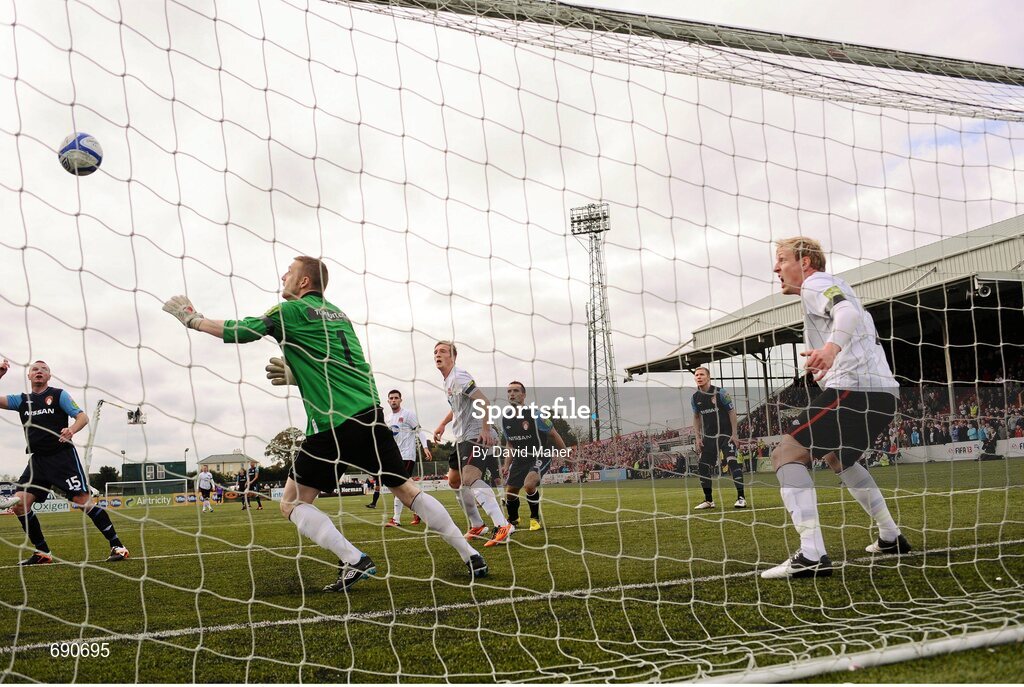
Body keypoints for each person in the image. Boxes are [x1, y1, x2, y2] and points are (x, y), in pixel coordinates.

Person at [162, 256, 488, 591]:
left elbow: (243, 331)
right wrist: (298, 375)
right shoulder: (339, 315)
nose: (284, 276)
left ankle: (354, 560)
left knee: (291, 502)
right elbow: (343, 367)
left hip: (331, 426)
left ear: (304, 282)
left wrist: (194, 320)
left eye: (289, 272)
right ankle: (470, 555)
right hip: (370, 415)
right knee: (406, 490)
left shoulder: (288, 311)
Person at [762, 237, 911, 580]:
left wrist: (830, 349)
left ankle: (811, 554)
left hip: (856, 391)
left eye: (781, 259)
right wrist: (823, 363)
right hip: (881, 394)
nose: (776, 268)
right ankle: (890, 537)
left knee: (785, 454)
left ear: (805, 261)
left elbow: (846, 311)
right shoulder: (823, 289)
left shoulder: (817, 283)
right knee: (838, 458)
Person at [0, 359, 129, 565]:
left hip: (62, 458)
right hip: (38, 461)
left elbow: (83, 417)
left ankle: (118, 546)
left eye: (44, 369)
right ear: (29, 376)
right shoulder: (21, 400)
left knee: (83, 502)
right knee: (20, 505)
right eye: (35, 369)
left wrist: (71, 430)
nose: (39, 372)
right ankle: (42, 552)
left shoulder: (59, 395)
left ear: (49, 376)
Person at [432, 341, 514, 547]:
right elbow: (457, 407)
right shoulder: (448, 381)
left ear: (453, 356)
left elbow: (483, 401)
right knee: (454, 481)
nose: (437, 354)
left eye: (442, 351)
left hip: (476, 434)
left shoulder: (459, 376)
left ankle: (503, 524)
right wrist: (442, 424)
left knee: (469, 477)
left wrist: (485, 429)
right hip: (461, 437)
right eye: (435, 352)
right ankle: (477, 525)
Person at [498, 381, 566, 531]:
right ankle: (514, 519)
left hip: (539, 456)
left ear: (523, 395)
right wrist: (506, 465)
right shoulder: (505, 418)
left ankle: (535, 519)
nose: (512, 394)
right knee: (510, 493)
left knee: (529, 485)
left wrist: (565, 454)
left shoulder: (536, 414)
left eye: (515, 391)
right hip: (520, 459)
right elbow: (510, 444)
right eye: (509, 391)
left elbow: (554, 435)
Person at [690, 367, 746, 509]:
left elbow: (732, 412)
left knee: (732, 462)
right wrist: (697, 437)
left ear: (708, 377)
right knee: (703, 466)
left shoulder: (720, 392)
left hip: (726, 434)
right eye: (696, 375)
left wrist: (734, 434)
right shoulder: (695, 398)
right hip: (709, 436)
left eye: (702, 374)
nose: (699, 377)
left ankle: (741, 498)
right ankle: (709, 500)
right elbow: (696, 417)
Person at [384, 390, 426, 527]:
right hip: (395, 456)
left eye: (396, 398)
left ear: (400, 400)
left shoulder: (408, 414)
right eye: (391, 398)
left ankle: (396, 519)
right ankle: (420, 512)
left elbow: (419, 430)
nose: (394, 400)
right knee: (408, 486)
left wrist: (425, 447)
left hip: (407, 455)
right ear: (388, 401)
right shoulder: (388, 418)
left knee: (399, 485)